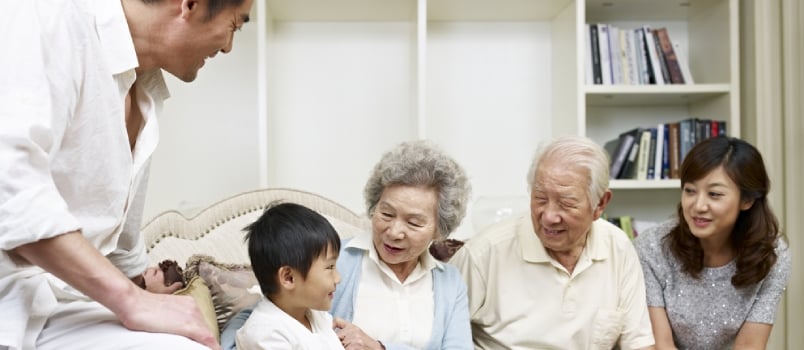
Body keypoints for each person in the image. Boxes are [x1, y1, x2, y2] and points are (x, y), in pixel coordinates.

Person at [0, 0, 253, 349]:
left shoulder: (146, 91)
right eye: (235, 25)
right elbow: (11, 190)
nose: (228, 47)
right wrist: (133, 301)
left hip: (66, 307)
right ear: (190, 4)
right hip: (12, 302)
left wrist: (146, 287)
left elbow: (119, 244)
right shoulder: (48, 14)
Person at [222, 140, 474, 350]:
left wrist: (379, 347)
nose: (394, 232)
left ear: (439, 229)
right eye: (386, 214)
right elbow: (263, 315)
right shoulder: (332, 260)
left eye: (414, 223)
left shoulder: (449, 283)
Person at [450, 135, 656, 349]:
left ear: (600, 204)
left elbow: (639, 343)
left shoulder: (618, 247)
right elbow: (438, 337)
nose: (549, 216)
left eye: (566, 203)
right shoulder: (484, 254)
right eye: (540, 198)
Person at [633, 136, 791, 350]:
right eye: (690, 191)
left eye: (714, 194)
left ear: (747, 200)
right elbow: (660, 345)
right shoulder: (652, 247)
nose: (698, 206)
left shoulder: (772, 255)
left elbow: (750, 345)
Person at [235, 202, 344, 350]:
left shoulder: (315, 314)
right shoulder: (265, 334)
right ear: (288, 278)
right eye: (330, 267)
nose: (338, 278)